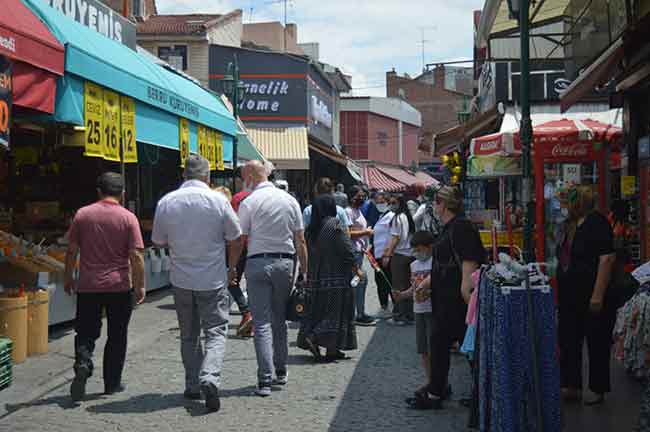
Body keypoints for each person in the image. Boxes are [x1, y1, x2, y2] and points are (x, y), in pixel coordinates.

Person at [152, 155, 242, 412]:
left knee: (188, 335)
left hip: (181, 279)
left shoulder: (166, 202)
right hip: (212, 278)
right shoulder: (218, 201)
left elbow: (158, 241)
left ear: (183, 175)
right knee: (215, 332)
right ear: (208, 177)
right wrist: (232, 267)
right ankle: (210, 377)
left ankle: (192, 385)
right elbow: (236, 237)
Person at [64, 172, 145, 402]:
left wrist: (68, 277)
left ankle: (83, 362)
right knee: (117, 335)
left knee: (86, 331)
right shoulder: (129, 218)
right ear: (122, 193)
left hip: (88, 284)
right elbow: (137, 256)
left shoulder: (83, 214)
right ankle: (112, 383)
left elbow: (71, 250)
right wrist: (140, 286)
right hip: (119, 286)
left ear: (98, 191)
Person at [410, 185, 485, 410]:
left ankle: (450, 391)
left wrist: (466, 290)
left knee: (466, 347)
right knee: (443, 344)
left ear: (444, 205)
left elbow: (468, 260)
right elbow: (443, 265)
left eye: (436, 203)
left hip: (456, 301)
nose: (434, 206)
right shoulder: (448, 227)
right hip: (445, 300)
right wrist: (425, 283)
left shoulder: (461, 227)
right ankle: (438, 389)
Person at [238, 160, 308, 397]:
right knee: (279, 318)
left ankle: (264, 380)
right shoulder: (290, 201)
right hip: (284, 263)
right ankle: (280, 369)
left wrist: (231, 268)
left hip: (257, 263)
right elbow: (300, 240)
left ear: (250, 176)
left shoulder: (249, 202)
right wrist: (304, 272)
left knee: (261, 323)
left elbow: (240, 239)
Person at [557, 185, 616, 406]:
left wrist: (598, 295)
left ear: (578, 204)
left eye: (567, 202)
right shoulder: (571, 225)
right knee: (568, 339)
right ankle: (571, 385)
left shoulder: (597, 223)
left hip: (591, 293)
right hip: (569, 296)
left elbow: (606, 259)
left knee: (596, 341)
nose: (564, 206)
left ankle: (597, 388)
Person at [297, 194, 357, 361]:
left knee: (318, 311)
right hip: (336, 277)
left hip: (316, 279)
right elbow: (347, 250)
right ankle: (314, 337)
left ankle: (332, 350)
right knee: (336, 313)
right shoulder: (334, 225)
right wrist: (356, 268)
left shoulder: (310, 229)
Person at [394, 231, 434, 394]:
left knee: (434, 349)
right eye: (415, 250)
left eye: (419, 249)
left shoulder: (435, 262)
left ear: (429, 247)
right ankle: (430, 380)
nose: (417, 253)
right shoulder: (414, 265)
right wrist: (402, 295)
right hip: (419, 310)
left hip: (432, 309)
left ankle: (438, 382)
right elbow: (413, 288)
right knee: (423, 350)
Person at [213, 186, 253, 337]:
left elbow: (232, 237)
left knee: (231, 282)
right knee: (234, 283)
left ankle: (246, 313)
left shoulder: (227, 210)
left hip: (235, 248)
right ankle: (248, 315)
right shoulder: (242, 201)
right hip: (249, 246)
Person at [382, 194, 416, 325]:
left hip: (400, 256)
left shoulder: (397, 218)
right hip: (409, 255)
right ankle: (409, 314)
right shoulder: (406, 216)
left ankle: (399, 315)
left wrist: (387, 254)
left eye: (393, 202)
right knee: (408, 285)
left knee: (398, 285)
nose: (391, 205)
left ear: (399, 203)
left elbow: (395, 238)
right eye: (390, 202)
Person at [346, 186, 377, 326]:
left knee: (359, 282)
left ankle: (359, 312)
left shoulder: (357, 211)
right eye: (359, 196)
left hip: (360, 251)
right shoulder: (348, 212)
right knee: (358, 281)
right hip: (353, 252)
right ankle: (355, 314)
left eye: (363, 196)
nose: (362, 199)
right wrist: (366, 232)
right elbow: (349, 233)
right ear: (352, 196)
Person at [372, 192, 395, 318]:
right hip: (377, 254)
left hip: (385, 255)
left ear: (387, 202)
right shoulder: (381, 216)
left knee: (388, 281)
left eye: (381, 202)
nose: (379, 204)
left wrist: (387, 254)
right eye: (377, 202)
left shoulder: (391, 216)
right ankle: (384, 307)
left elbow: (392, 236)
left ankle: (395, 307)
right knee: (380, 281)